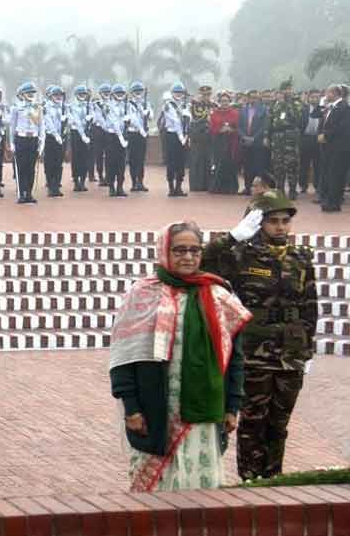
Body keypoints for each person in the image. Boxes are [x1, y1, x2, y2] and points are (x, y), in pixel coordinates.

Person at [110, 220, 250, 492]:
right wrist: (131, 407)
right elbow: (124, 357)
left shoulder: (219, 296)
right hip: (156, 410)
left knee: (200, 489)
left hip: (203, 414)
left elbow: (235, 357)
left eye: (194, 251)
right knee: (156, 493)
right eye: (179, 250)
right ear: (164, 251)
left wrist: (233, 405)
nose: (188, 257)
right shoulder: (142, 295)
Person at [201, 191, 316, 481]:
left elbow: (310, 306)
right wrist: (232, 238)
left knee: (279, 423)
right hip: (255, 352)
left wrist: (307, 349)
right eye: (273, 221)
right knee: (253, 422)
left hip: (291, 352)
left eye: (285, 221)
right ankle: (251, 481)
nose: (280, 227)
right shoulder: (241, 256)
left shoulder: (300, 257)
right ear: (259, 224)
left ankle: (274, 478)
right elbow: (203, 265)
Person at [267, 80, 304, 199]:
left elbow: (296, 118)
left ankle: (293, 190)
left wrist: (285, 103)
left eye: (289, 89)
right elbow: (269, 121)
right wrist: (267, 136)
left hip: (290, 137)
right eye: (285, 89)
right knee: (278, 165)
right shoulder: (274, 104)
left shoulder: (296, 102)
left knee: (292, 165)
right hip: (277, 138)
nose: (287, 91)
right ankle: (280, 190)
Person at [8, 82, 43, 204]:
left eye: (32, 92)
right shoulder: (16, 108)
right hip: (21, 140)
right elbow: (12, 127)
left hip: (33, 140)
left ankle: (29, 193)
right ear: (22, 94)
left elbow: (41, 127)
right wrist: (11, 142)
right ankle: (21, 193)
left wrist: (41, 144)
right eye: (28, 92)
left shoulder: (38, 108)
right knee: (21, 167)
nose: (31, 95)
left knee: (31, 168)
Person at [318, 84, 349, 212]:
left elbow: (343, 126)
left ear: (335, 93)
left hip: (339, 147)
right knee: (331, 174)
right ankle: (330, 200)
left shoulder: (343, 107)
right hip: (330, 147)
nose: (326, 95)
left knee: (336, 175)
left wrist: (326, 134)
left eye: (328, 93)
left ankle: (334, 203)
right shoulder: (331, 107)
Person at [210, 91, 242, 194]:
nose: (224, 103)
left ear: (229, 101)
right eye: (222, 101)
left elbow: (239, 128)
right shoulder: (215, 113)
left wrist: (231, 130)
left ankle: (231, 188)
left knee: (230, 165)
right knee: (219, 165)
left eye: (226, 101)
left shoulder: (235, 113)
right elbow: (212, 128)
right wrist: (220, 130)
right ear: (220, 102)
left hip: (231, 143)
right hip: (218, 143)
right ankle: (218, 187)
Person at [239, 90, 269, 195]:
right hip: (245, 142)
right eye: (251, 97)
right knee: (247, 167)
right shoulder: (243, 109)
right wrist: (244, 137)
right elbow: (239, 126)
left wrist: (254, 138)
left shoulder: (264, 110)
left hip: (257, 142)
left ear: (258, 98)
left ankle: (258, 189)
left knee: (258, 167)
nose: (253, 100)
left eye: (255, 98)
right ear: (248, 98)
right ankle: (247, 188)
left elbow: (264, 126)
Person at [41, 86, 67, 197]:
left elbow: (69, 119)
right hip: (51, 137)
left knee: (59, 162)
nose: (58, 97)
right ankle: (51, 186)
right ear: (51, 96)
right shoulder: (46, 107)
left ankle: (56, 185)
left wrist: (66, 120)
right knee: (50, 162)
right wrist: (56, 135)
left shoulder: (64, 107)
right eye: (56, 95)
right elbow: (48, 122)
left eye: (60, 95)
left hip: (62, 137)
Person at [189, 85, 215, 192]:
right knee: (197, 161)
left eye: (208, 94)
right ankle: (196, 185)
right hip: (198, 137)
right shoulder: (194, 105)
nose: (206, 97)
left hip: (210, 137)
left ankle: (208, 184)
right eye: (203, 95)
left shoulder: (214, 105)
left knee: (208, 161)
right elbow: (196, 118)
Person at [67, 85, 93, 193]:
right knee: (76, 157)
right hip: (76, 133)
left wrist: (91, 117)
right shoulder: (71, 106)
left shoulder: (89, 105)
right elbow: (72, 120)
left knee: (85, 157)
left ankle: (83, 180)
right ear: (76, 95)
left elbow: (94, 116)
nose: (82, 96)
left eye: (84, 94)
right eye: (80, 94)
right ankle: (76, 180)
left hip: (87, 132)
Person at [299, 89, 323, 197]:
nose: (315, 99)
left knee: (318, 164)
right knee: (304, 164)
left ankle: (318, 186)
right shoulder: (303, 109)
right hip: (305, 139)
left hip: (318, 139)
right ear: (309, 98)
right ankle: (303, 186)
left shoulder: (323, 109)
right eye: (313, 97)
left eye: (317, 97)